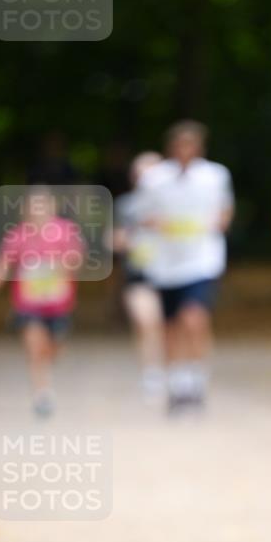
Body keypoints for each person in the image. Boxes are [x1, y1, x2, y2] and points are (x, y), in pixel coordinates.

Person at [137, 121, 234, 413]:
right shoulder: (154, 178)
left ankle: (197, 378)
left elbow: (225, 210)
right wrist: (165, 226)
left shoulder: (215, 175)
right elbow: (142, 214)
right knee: (170, 326)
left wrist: (216, 224)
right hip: (166, 262)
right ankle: (177, 381)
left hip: (202, 259)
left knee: (195, 317)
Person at [0, 187, 85, 417]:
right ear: (25, 211)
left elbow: (76, 258)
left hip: (59, 305)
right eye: (33, 207)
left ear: (52, 207)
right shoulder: (18, 235)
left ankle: (50, 361)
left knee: (52, 348)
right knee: (35, 346)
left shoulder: (66, 231)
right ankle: (42, 394)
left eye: (42, 206)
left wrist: (61, 265)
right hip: (27, 305)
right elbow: (3, 262)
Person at [112, 151, 166, 401]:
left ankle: (178, 371)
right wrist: (123, 241)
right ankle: (151, 373)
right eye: (141, 173)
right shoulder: (125, 206)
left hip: (173, 271)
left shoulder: (176, 201)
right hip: (139, 271)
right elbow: (113, 238)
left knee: (173, 323)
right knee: (146, 322)